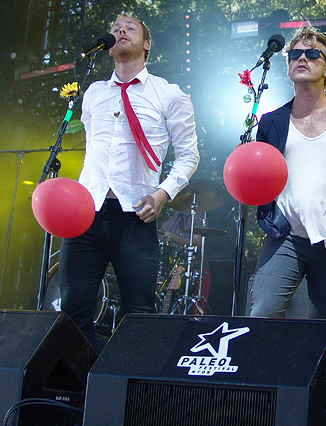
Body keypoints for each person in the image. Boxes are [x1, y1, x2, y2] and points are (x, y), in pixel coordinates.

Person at [59, 13, 199, 349]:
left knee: (138, 314)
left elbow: (189, 156)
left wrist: (162, 194)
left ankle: (126, 395)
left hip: (135, 215)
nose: (120, 29)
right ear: (108, 46)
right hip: (84, 213)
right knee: (72, 313)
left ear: (146, 45)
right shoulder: (92, 94)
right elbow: (94, 151)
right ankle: (85, 390)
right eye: (115, 27)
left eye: (130, 27)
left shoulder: (169, 94)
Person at [249, 27, 326, 321]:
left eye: (312, 53)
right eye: (294, 54)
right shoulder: (269, 122)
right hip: (285, 234)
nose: (302, 58)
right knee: (262, 313)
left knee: (322, 329)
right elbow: (260, 181)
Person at [159, 209, 211, 314]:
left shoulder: (198, 217)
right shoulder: (170, 222)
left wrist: (173, 238)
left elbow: (197, 244)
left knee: (196, 311)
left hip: (195, 271)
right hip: (170, 272)